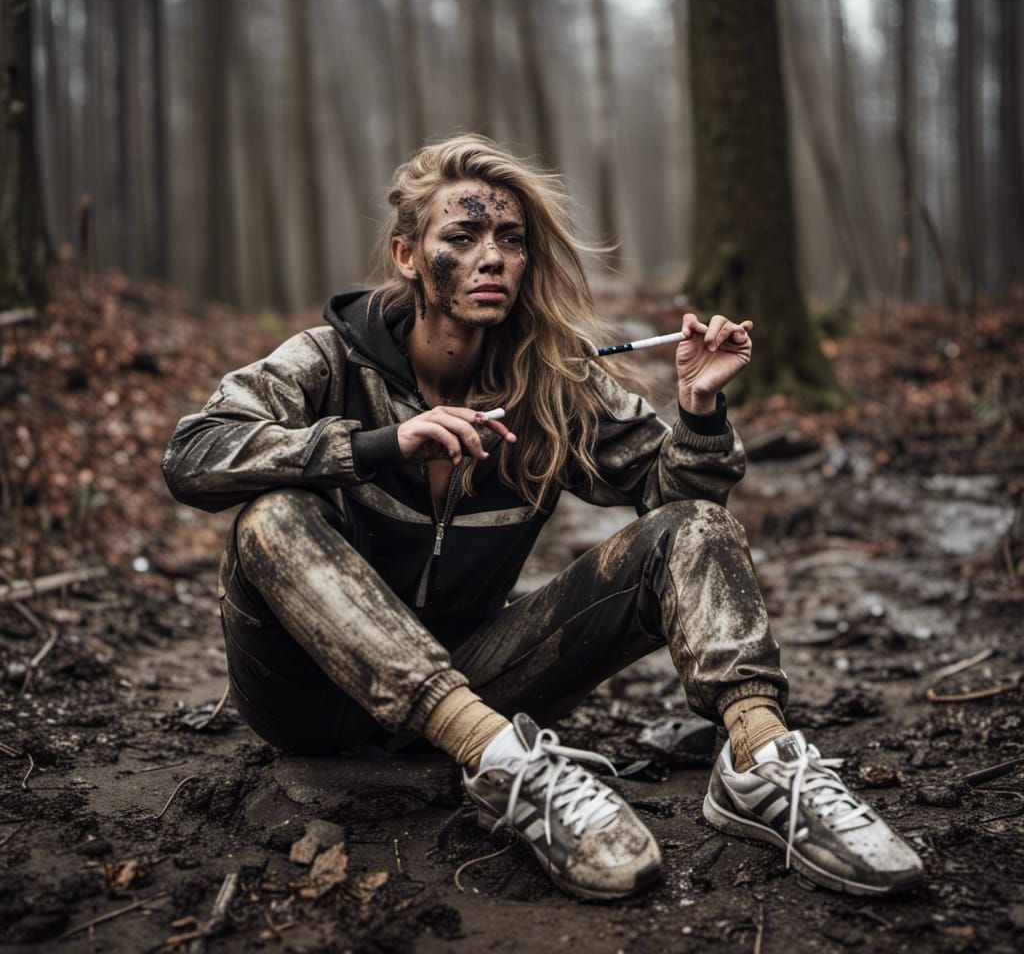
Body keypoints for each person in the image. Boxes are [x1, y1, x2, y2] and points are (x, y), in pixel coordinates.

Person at [162, 134, 923, 901]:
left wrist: (698, 409)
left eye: (511, 240)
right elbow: (193, 454)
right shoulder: (328, 360)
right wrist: (380, 444)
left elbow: (679, 504)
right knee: (271, 514)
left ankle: (762, 764)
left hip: (479, 674)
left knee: (697, 528)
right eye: (462, 237)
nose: (492, 257)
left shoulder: (549, 382)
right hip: (305, 698)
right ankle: (502, 760)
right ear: (406, 256)